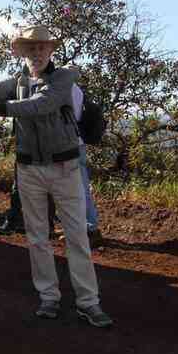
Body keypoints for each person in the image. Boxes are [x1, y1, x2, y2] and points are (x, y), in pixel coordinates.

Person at [0, 25, 113, 328]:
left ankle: (88, 303)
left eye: (43, 47)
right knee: (37, 238)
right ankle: (49, 298)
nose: (38, 52)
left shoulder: (64, 76)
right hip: (28, 168)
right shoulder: (17, 82)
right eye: (31, 48)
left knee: (77, 237)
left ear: (51, 50)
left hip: (66, 168)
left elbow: (42, 105)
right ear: (22, 52)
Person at [72, 84, 102, 243]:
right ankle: (85, 228)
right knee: (79, 188)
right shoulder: (77, 89)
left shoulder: (68, 89)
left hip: (71, 145)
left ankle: (90, 229)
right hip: (78, 143)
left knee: (79, 189)